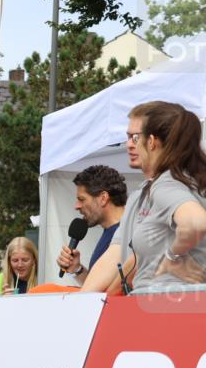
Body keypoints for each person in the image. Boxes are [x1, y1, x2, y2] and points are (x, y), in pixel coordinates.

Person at [81, 101, 206, 292]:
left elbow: (196, 223)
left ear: (152, 141)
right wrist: (88, 300)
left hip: (169, 307)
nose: (129, 144)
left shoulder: (168, 184)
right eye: (128, 137)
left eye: (135, 137)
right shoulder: (144, 193)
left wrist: (171, 258)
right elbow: (121, 256)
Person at [56, 165, 128, 285]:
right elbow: (98, 290)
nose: (77, 206)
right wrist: (77, 269)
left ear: (103, 198)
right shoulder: (110, 232)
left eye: (82, 199)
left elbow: (116, 292)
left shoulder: (128, 235)